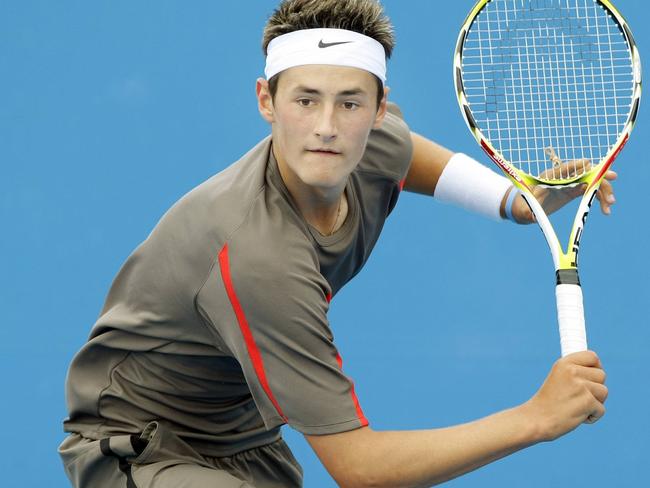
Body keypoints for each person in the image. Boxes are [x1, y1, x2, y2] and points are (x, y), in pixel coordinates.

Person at [59, 1, 616, 486]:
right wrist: (535, 418)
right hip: (140, 446)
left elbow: (410, 157)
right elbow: (361, 470)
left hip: (245, 431)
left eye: (349, 103)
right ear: (266, 100)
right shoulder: (258, 257)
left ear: (378, 110)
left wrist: (523, 202)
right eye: (305, 100)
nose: (326, 126)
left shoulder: (373, 142)